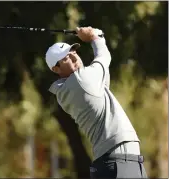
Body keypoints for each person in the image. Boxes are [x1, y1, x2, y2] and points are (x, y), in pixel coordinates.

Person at [45, 26, 148, 178]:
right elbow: (104, 58)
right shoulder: (80, 81)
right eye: (66, 57)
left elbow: (103, 80)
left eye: (73, 52)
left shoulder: (75, 86)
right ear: (56, 69)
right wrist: (94, 38)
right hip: (118, 162)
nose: (74, 57)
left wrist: (97, 38)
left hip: (119, 162)